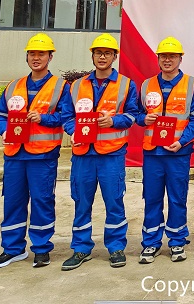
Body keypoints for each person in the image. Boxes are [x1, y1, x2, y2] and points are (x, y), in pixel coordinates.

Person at [61, 33, 140, 271]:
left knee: (114, 201)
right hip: (83, 155)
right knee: (81, 202)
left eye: (107, 53)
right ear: (92, 56)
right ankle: (81, 248)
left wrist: (113, 121)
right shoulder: (77, 86)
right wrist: (74, 131)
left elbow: (133, 115)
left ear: (115, 56)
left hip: (111, 154)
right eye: (98, 53)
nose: (102, 57)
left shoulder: (126, 84)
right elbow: (67, 116)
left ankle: (115, 247)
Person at [0, 33, 71, 269]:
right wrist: (4, 130)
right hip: (15, 155)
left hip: (43, 155)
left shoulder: (60, 87)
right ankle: (13, 249)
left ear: (50, 57)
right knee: (12, 202)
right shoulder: (13, 86)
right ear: (27, 56)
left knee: (42, 201)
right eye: (32, 54)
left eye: (41, 54)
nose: (36, 58)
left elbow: (66, 117)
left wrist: (43, 118)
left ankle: (41, 248)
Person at [135, 36, 194, 265]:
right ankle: (151, 242)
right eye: (163, 56)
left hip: (177, 153)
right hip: (153, 153)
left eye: (172, 56)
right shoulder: (147, 85)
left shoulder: (192, 84)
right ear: (158, 58)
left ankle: (177, 241)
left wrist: (183, 141)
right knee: (152, 198)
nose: (167, 60)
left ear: (180, 59)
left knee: (177, 198)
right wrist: (144, 119)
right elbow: (136, 114)